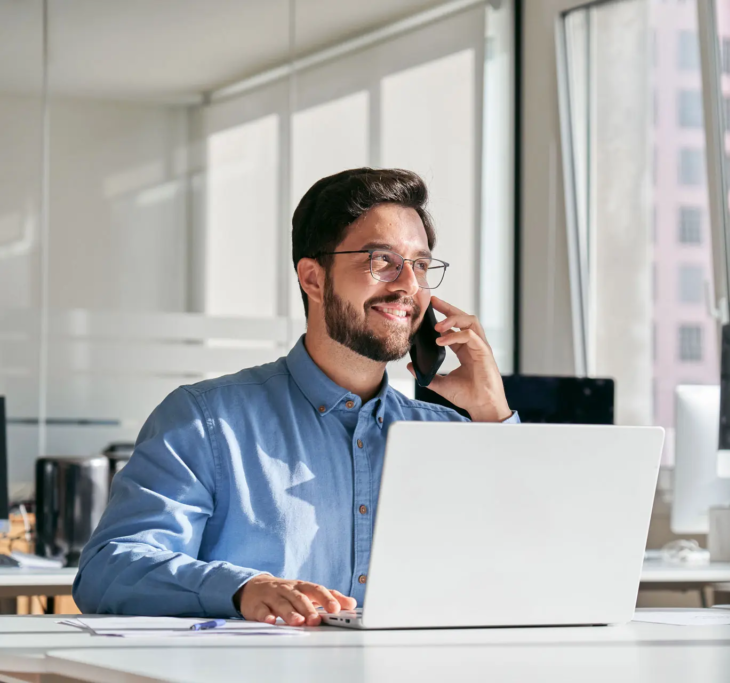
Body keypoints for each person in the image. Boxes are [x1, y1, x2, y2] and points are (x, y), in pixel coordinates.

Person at [73, 168, 517, 625]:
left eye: (420, 265)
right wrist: (241, 588)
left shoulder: (453, 436)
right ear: (313, 279)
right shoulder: (206, 421)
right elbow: (110, 569)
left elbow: (532, 567)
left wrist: (493, 413)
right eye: (382, 260)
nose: (408, 285)